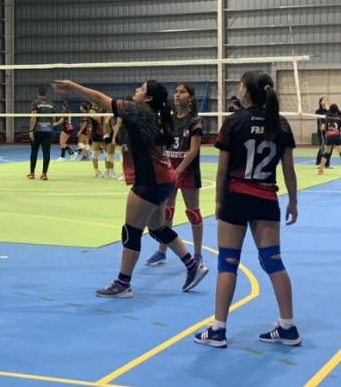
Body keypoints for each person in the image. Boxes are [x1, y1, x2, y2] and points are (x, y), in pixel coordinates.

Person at [53, 79, 209, 298]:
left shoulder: (136, 110)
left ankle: (123, 283)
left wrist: (71, 86)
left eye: (142, 88)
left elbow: (99, 98)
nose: (136, 90)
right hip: (164, 179)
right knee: (157, 227)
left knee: (131, 231)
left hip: (149, 181)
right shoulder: (152, 115)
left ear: (148, 98)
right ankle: (192, 265)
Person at [194, 71, 300, 349]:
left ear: (246, 91)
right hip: (266, 197)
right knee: (273, 261)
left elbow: (222, 169)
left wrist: (218, 201)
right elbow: (288, 168)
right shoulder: (281, 123)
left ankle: (218, 330)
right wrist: (294, 201)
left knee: (227, 262)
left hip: (236, 197)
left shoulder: (234, 122)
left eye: (241, 85)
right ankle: (288, 326)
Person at [146, 83, 205, 266]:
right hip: (168, 170)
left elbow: (193, 150)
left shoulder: (195, 120)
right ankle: (162, 251)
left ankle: (197, 254)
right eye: (176, 92)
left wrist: (178, 170)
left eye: (182, 92)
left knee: (193, 212)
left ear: (191, 98)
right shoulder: (168, 119)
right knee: (166, 212)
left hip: (187, 171)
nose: (177, 95)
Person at [28, 86, 55, 180]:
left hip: (37, 131)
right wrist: (50, 126)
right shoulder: (51, 104)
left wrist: (31, 130)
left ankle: (32, 173)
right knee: (46, 153)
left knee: (34, 152)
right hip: (48, 131)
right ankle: (44, 174)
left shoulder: (35, 103)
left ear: (38, 93)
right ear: (45, 94)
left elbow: (33, 117)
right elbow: (53, 119)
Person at [317, 103, 341, 177]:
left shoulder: (326, 117)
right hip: (337, 137)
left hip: (329, 137)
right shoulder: (339, 117)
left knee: (326, 153)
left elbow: (322, 128)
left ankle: (321, 170)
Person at [314, 97, 333, 168]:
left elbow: (331, 115)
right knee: (323, 146)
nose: (325, 101)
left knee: (330, 147)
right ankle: (319, 163)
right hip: (321, 131)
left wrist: (328, 109)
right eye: (323, 100)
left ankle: (327, 164)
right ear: (320, 102)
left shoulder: (330, 110)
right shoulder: (318, 111)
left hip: (330, 131)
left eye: (326, 100)